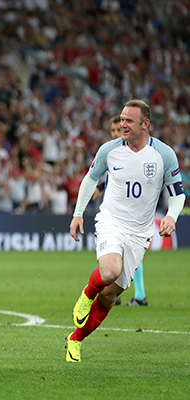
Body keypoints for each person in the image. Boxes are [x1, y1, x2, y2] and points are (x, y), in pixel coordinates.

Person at [67, 100, 185, 362]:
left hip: (139, 233)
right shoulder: (109, 150)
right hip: (111, 220)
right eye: (122, 119)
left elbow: (177, 194)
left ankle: (75, 339)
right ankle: (87, 294)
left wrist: (171, 216)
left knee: (109, 296)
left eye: (129, 120)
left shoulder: (164, 155)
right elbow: (90, 179)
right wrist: (77, 214)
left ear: (145, 124)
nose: (123, 124)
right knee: (109, 271)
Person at [94, 116, 149, 306]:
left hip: (131, 211)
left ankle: (139, 295)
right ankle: (117, 293)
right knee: (114, 251)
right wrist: (99, 189)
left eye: (120, 130)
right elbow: (111, 177)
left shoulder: (136, 152)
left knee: (128, 251)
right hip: (115, 211)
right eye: (113, 131)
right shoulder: (111, 151)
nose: (117, 134)